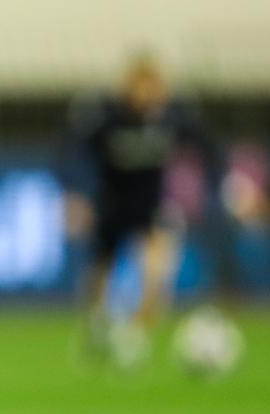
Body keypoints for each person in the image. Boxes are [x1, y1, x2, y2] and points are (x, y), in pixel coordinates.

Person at [63, 53, 223, 365]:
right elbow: (71, 150)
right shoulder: (108, 118)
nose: (147, 93)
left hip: (150, 207)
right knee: (99, 275)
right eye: (141, 85)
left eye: (153, 86)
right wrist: (75, 193)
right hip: (111, 205)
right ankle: (96, 330)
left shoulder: (171, 119)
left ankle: (134, 338)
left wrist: (218, 183)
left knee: (155, 273)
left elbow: (208, 147)